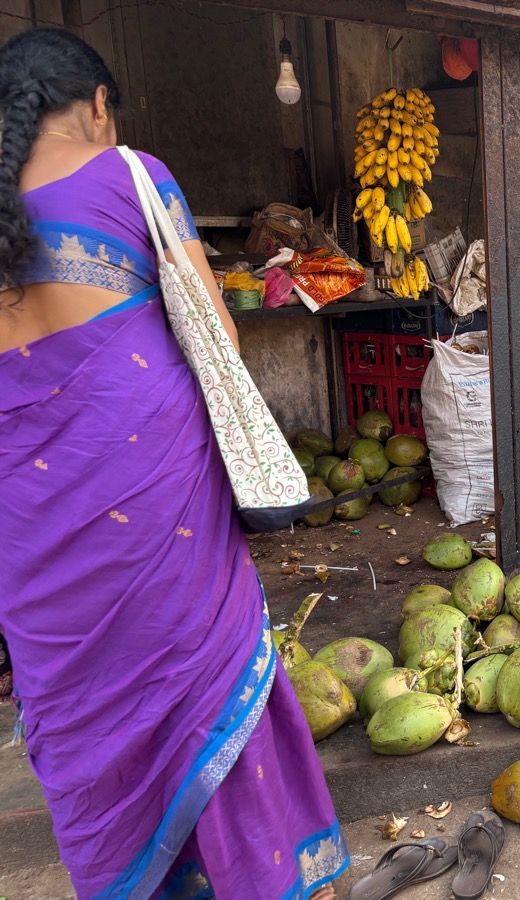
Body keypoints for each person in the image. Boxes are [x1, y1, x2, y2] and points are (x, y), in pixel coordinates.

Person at [0, 29, 346, 898]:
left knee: (81, 716)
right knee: (199, 683)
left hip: (27, 524)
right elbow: (218, 334)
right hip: (150, 498)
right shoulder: (131, 175)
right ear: (98, 105)